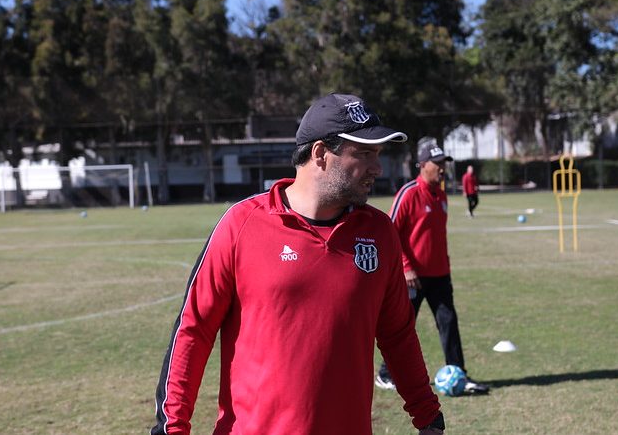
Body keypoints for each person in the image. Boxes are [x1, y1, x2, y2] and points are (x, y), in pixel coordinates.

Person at [151, 93, 446, 435]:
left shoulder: (380, 233)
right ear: (320, 153)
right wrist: (172, 427)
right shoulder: (241, 224)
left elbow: (398, 334)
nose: (377, 168)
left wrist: (427, 416)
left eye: (378, 154)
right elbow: (194, 329)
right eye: (364, 153)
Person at [375, 137, 488, 395]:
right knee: (402, 327)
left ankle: (458, 373)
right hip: (412, 277)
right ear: (423, 165)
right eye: (437, 163)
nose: (441, 167)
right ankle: (384, 374)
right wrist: (405, 267)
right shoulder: (409, 193)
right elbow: (390, 233)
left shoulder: (441, 195)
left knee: (449, 323)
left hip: (440, 275)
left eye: (443, 163)